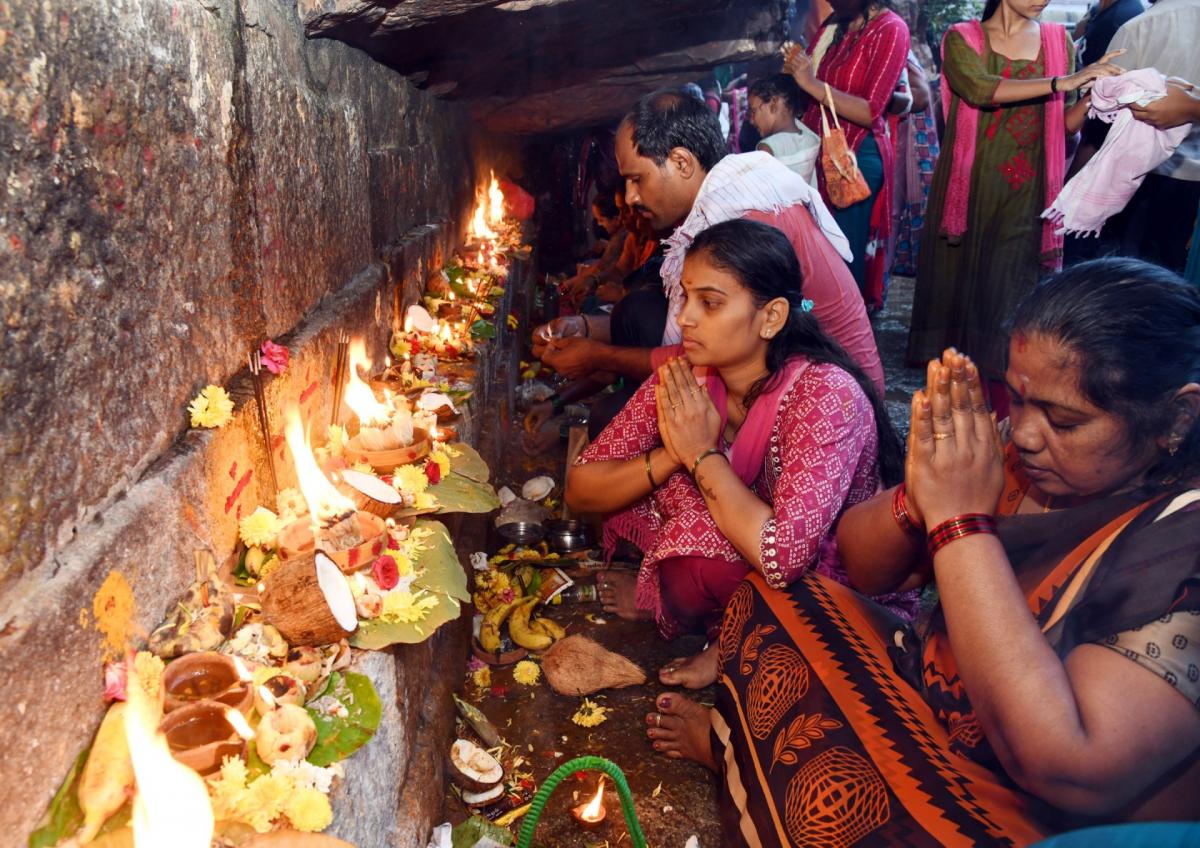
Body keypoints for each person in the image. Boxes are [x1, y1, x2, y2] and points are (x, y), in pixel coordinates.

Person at [645, 258, 1200, 845]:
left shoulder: (1181, 542)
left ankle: (744, 757)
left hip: (1033, 809)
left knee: (836, 810)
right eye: (1017, 400)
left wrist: (961, 524)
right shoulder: (1025, 457)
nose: (1028, 433)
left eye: (1064, 420)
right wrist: (920, 497)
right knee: (772, 600)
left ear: (1178, 419)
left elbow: (1067, 765)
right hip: (936, 695)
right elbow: (864, 565)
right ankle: (749, 758)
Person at [565, 219, 906, 687]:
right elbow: (582, 487)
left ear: (772, 317)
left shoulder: (825, 396)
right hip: (755, 549)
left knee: (697, 537)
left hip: (829, 588)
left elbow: (784, 557)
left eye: (710, 303)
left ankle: (732, 639)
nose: (685, 318)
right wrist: (674, 455)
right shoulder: (694, 375)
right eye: (685, 297)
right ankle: (721, 624)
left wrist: (703, 456)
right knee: (673, 498)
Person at [537, 90, 884, 397]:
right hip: (790, 372)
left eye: (636, 179)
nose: (629, 197)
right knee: (641, 311)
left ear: (681, 163)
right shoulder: (717, 208)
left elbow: (700, 362)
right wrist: (585, 330)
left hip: (836, 398)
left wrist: (598, 355)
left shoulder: (741, 224)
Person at [906, 0, 1124, 415]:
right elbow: (980, 89)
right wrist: (1064, 81)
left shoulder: (1059, 42)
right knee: (962, 302)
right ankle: (955, 419)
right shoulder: (962, 38)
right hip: (969, 192)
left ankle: (1006, 423)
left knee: (1011, 307)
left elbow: (1064, 124)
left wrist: (1103, 96)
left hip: (1029, 198)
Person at [784, 0, 910, 308]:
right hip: (817, 151)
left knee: (841, 257)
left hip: (854, 158)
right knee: (812, 254)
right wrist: (795, 70)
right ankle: (814, 328)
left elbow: (870, 110)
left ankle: (844, 341)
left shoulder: (891, 29)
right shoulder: (834, 25)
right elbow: (805, 86)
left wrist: (811, 83)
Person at [1098, 0, 1200, 271]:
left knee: (1132, 278)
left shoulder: (1138, 28)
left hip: (1139, 176)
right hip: (1191, 180)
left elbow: (1104, 109)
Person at [890, 52, 940, 277]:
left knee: (893, 211)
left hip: (902, 144)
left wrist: (872, 98)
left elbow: (919, 98)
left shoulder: (898, 49)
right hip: (897, 140)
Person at [747, 74, 821, 183]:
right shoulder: (812, 139)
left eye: (753, 111)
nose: (751, 120)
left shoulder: (768, 148)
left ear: (773, 105)